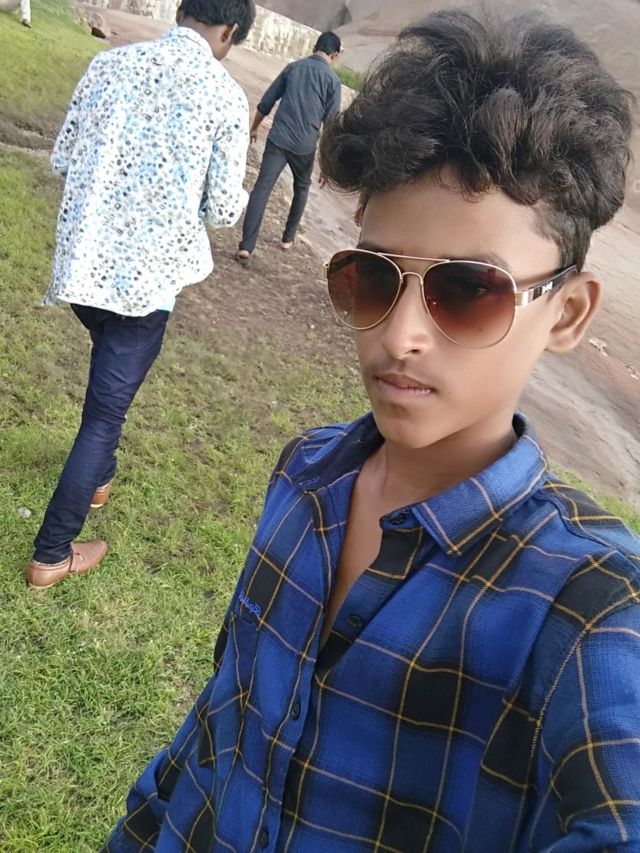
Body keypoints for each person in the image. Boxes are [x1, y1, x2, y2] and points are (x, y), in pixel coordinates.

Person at [105, 11, 640, 851]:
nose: (401, 334)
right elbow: (220, 729)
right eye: (373, 277)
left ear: (567, 312)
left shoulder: (588, 608)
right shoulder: (306, 474)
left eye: (468, 290)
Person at [26, 0, 256, 590]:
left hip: (83, 271)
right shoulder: (224, 96)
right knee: (104, 416)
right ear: (230, 32)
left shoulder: (108, 65)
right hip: (145, 288)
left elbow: (62, 157)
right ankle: (52, 555)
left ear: (181, 11)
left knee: (107, 386)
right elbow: (224, 210)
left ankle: (99, 479)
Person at [234, 31, 342, 261]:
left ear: (315, 47)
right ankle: (287, 238)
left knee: (262, 187)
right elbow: (331, 125)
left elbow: (267, 101)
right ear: (334, 55)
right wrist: (327, 164)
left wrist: (254, 128)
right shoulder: (333, 81)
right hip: (305, 146)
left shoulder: (293, 68)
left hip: (279, 139)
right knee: (301, 187)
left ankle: (246, 246)